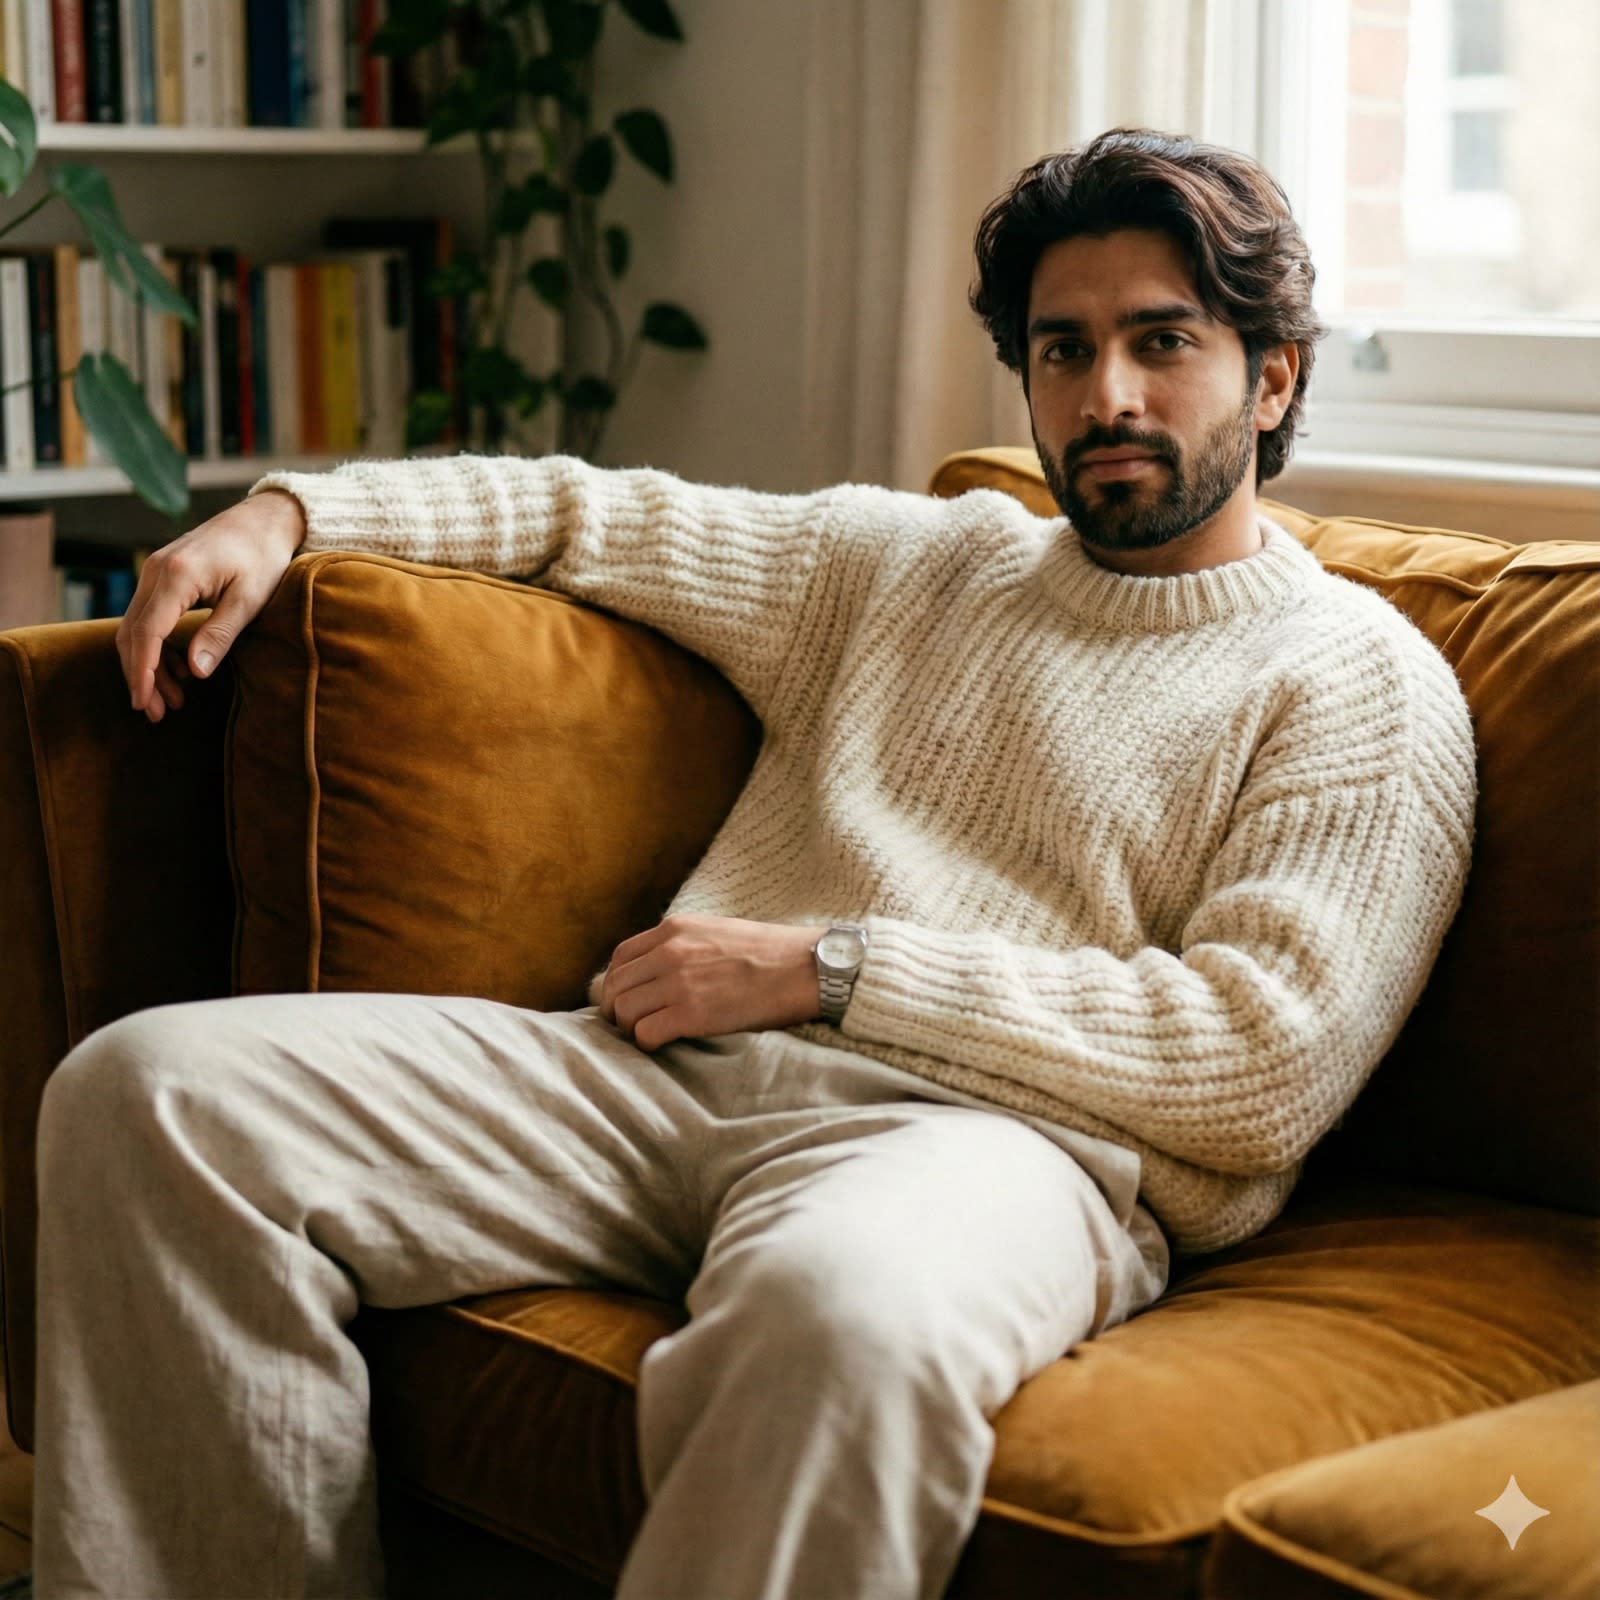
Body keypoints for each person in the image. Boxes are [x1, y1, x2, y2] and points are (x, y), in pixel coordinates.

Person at [33, 128, 1476, 1600]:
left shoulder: (1363, 685)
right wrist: (287, 515)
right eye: (1062, 349)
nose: (1103, 394)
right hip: (653, 1070)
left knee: (839, 1314)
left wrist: (832, 971)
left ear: (1274, 374)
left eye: (1162, 341)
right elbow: (583, 515)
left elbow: (1261, 1056)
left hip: (1000, 1148)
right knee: (151, 1100)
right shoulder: (917, 564)